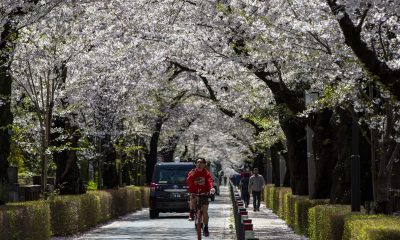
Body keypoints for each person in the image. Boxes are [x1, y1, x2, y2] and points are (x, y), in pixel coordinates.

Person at [187, 157, 215, 237]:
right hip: (194, 192)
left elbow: (210, 181)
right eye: (197, 162)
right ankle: (191, 212)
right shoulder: (192, 172)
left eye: (201, 162)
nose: (199, 164)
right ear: (195, 164)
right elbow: (188, 181)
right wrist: (191, 176)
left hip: (204, 193)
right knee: (192, 198)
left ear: (204, 164)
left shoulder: (206, 173)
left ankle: (206, 227)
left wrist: (212, 188)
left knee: (205, 211)